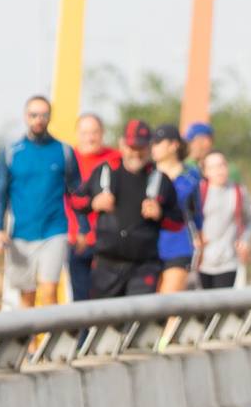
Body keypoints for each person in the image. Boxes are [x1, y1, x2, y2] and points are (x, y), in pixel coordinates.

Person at [0, 96, 74, 310]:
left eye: (43, 115)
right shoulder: (11, 152)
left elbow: (76, 193)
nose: (39, 120)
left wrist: (80, 227)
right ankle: (30, 344)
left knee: (49, 292)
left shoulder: (63, 151)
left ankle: (51, 342)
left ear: (50, 117)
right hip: (21, 234)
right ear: (26, 117)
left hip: (54, 231)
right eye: (34, 115)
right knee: (27, 296)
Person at [78, 119, 179, 299]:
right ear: (122, 145)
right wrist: (94, 204)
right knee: (103, 319)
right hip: (106, 265)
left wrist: (160, 214)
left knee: (138, 320)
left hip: (143, 266)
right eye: (132, 147)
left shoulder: (160, 180)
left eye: (141, 148)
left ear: (149, 147)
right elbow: (75, 201)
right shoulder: (105, 172)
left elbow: (177, 221)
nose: (136, 154)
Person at [63, 113, 117, 302]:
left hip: (110, 240)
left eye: (94, 132)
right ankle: (83, 333)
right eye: (85, 133)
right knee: (81, 296)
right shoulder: (68, 159)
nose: (90, 137)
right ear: (77, 134)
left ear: (102, 133)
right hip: (78, 239)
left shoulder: (116, 159)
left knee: (107, 296)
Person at [187, 150, 251, 288]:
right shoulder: (198, 192)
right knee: (202, 307)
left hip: (228, 261)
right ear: (205, 172)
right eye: (213, 167)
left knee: (222, 306)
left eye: (222, 165)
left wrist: (245, 240)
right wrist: (194, 236)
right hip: (202, 262)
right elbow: (187, 219)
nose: (219, 170)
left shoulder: (238, 191)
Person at [153, 128, 197, 291]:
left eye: (158, 143)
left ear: (173, 145)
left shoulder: (190, 177)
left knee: (168, 305)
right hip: (147, 246)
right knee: (146, 309)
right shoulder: (148, 174)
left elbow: (197, 213)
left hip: (176, 246)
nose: (153, 147)